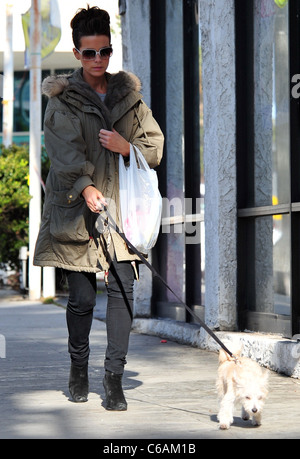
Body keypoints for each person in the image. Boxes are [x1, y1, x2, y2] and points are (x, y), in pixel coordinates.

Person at [33, 5, 164, 410]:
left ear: (111, 49)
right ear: (76, 54)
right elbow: (64, 153)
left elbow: (155, 146)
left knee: (124, 290)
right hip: (77, 209)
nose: (97, 60)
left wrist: (129, 147)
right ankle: (78, 369)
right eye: (89, 53)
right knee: (83, 300)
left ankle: (113, 380)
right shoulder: (63, 100)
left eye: (104, 51)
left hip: (122, 213)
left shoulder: (130, 96)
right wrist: (87, 186)